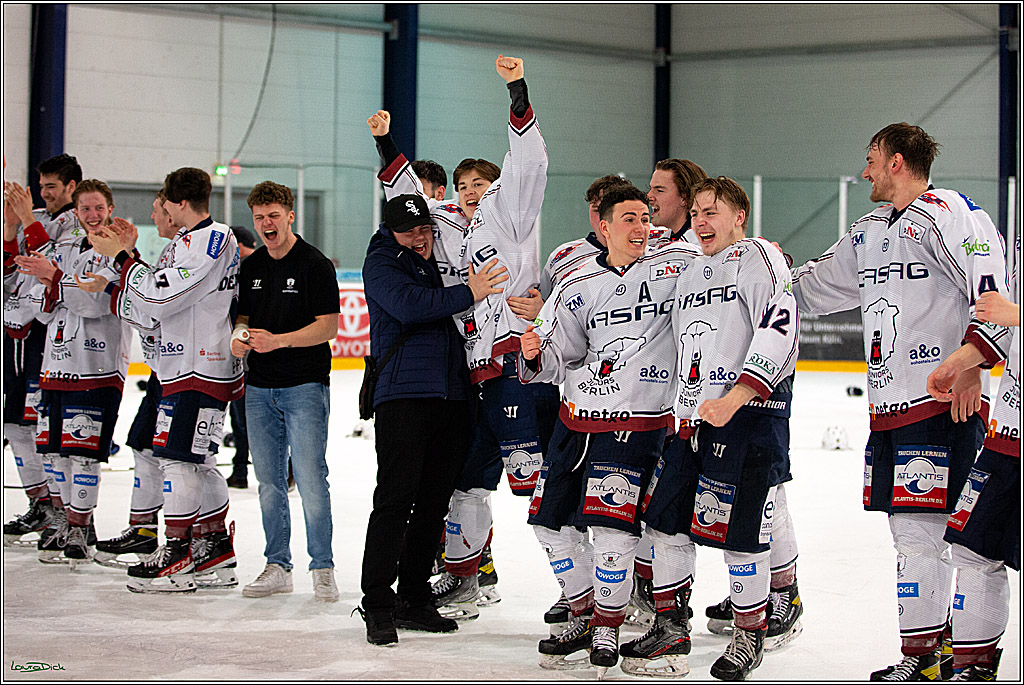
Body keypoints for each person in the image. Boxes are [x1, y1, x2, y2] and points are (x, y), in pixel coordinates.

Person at [791, 123, 1011, 681]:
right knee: (911, 537)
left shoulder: (952, 213)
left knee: (960, 543)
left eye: (870, 160)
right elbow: (815, 287)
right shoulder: (867, 231)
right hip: (888, 409)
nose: (863, 171)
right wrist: (756, 274)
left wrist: (972, 363)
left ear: (895, 161)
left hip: (941, 408)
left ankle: (969, 659)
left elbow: (991, 294)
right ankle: (926, 657)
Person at [519, 183, 701, 674]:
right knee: (546, 525)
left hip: (638, 424)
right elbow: (565, 354)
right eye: (630, 219)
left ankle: (608, 626)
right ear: (603, 225)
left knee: (611, 529)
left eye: (646, 218)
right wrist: (539, 354)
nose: (642, 228)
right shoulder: (576, 283)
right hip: (575, 424)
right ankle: (583, 610)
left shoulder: (674, 271)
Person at [632, 177, 799, 680]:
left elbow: (781, 327)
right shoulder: (690, 271)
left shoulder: (758, 257)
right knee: (665, 523)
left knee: (741, 535)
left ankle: (751, 634)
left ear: (738, 216)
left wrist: (736, 398)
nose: (702, 221)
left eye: (713, 212)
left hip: (748, 417)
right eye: (698, 212)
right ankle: (671, 626)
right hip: (691, 421)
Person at [357, 193, 508, 645]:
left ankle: (415, 597)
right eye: (410, 233)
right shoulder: (382, 261)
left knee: (433, 503)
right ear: (391, 232)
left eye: (425, 229)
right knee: (395, 499)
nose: (420, 239)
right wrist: (469, 292)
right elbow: (410, 306)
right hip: (403, 393)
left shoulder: (433, 255)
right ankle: (379, 603)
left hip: (452, 395)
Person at [90, 167, 243, 594]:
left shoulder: (213, 238)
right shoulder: (184, 242)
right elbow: (151, 307)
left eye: (164, 203)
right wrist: (119, 282)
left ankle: (176, 555)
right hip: (180, 366)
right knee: (195, 459)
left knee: (179, 459)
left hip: (202, 365)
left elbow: (161, 295)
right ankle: (214, 549)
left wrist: (123, 258)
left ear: (177, 203)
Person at [14, 179, 133, 568]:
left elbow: (95, 302)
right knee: (54, 454)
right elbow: (41, 308)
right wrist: (53, 283)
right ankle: (69, 521)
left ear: (110, 208)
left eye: (99, 208)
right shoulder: (65, 248)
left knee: (82, 455)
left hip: (96, 366)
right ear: (77, 214)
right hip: (56, 365)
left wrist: (55, 280)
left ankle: (81, 530)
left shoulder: (118, 251)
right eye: (85, 209)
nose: (93, 215)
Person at [230, 181, 340, 602]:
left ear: (290, 215)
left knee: (311, 478)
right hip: (259, 388)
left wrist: (279, 340)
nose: (266, 224)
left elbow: (328, 326)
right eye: (259, 217)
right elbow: (242, 318)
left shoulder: (314, 264)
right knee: (269, 482)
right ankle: (277, 564)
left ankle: (322, 567)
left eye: (273, 215)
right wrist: (239, 337)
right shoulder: (253, 265)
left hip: (304, 386)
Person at [924, 237, 1019, 681]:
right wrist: (964, 364)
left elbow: (1008, 313)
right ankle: (973, 665)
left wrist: (1016, 315)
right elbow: (998, 318)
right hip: (1009, 429)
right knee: (972, 547)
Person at [2, 154, 82, 548]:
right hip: (16, 335)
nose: (46, 194)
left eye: (53, 187)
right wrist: (11, 228)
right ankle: (40, 503)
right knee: (14, 424)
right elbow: (11, 266)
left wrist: (26, 224)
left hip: (50, 337)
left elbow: (54, 265)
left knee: (41, 428)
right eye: (43, 186)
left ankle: (64, 510)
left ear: (71, 187)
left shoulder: (76, 222)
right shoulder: (32, 215)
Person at [225, 225, 258, 490]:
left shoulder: (244, 270)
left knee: (244, 420)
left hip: (248, 356)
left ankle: (241, 469)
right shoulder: (254, 267)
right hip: (249, 355)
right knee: (244, 419)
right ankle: (240, 469)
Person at [647, 158, 707, 246]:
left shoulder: (703, 247)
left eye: (659, 190)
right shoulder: (665, 240)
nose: (649, 197)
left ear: (684, 197)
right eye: (650, 189)